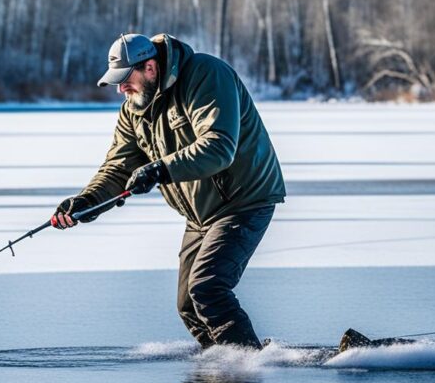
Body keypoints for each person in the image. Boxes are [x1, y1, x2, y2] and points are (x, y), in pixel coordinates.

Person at [51, 33, 286, 349]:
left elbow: (219, 147)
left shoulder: (205, 74)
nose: (121, 89)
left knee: (207, 287)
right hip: (199, 214)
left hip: (244, 199)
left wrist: (160, 169)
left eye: (125, 79)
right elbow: (117, 169)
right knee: (188, 305)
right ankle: (220, 364)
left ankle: (246, 365)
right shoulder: (133, 111)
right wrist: (87, 201)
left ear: (149, 67)